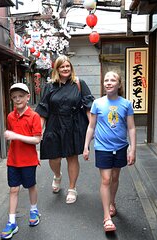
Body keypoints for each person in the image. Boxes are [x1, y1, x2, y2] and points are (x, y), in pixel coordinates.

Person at [35, 55, 94, 204]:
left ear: (71, 68)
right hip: (54, 123)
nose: (65, 69)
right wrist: (38, 131)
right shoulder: (49, 86)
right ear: (57, 69)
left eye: (68, 66)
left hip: (73, 124)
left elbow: (89, 107)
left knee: (72, 156)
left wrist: (92, 128)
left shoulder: (79, 83)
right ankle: (57, 175)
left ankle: (72, 188)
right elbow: (43, 109)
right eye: (62, 66)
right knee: (54, 157)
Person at [83, 71, 136, 232]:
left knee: (115, 177)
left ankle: (112, 202)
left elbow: (131, 128)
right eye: (106, 80)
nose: (109, 82)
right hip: (102, 147)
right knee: (106, 180)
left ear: (119, 84)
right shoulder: (97, 103)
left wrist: (132, 149)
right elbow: (91, 126)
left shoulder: (126, 104)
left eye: (113, 80)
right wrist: (86, 146)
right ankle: (107, 217)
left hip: (120, 147)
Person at [0, 83, 42, 239]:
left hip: (29, 160)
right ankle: (11, 222)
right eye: (14, 97)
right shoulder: (10, 116)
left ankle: (34, 210)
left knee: (31, 186)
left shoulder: (34, 116)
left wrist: (15, 136)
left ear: (28, 97)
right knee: (13, 189)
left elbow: (37, 140)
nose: (17, 99)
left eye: (21, 96)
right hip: (13, 159)